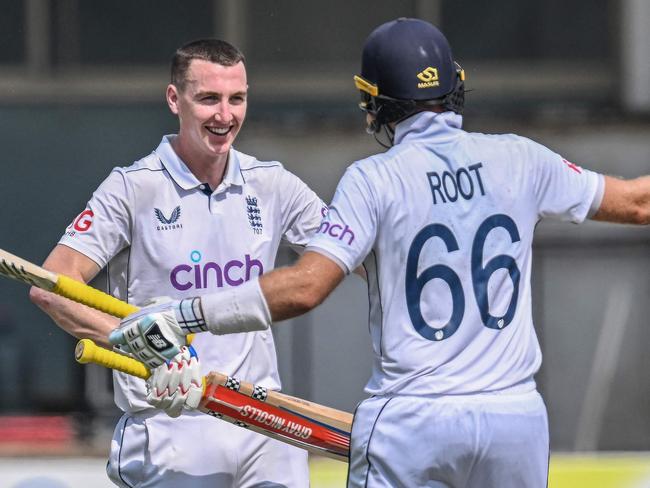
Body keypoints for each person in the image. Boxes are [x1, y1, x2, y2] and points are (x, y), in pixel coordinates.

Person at [110, 18, 650, 488]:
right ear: (456, 86)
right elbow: (639, 202)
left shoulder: (375, 179)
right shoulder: (522, 158)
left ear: (375, 100)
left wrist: (181, 316)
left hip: (413, 420)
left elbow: (305, 287)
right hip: (516, 418)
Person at [30, 38, 325, 487]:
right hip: (171, 418)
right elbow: (52, 285)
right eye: (208, 99)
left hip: (262, 421)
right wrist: (136, 342)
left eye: (237, 99)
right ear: (175, 99)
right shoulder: (132, 188)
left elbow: (359, 257)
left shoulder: (273, 184)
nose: (225, 116)